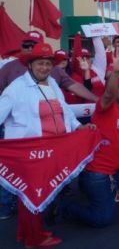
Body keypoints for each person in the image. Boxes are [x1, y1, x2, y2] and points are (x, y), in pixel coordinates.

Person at [0, 43, 88, 248]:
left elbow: (63, 110)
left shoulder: (53, 84)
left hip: (51, 149)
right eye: (40, 63)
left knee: (32, 194)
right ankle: (34, 238)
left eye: (48, 63)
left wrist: (77, 127)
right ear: (30, 65)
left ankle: (26, 232)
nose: (44, 68)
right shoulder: (16, 88)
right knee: (32, 193)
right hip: (28, 150)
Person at [60, 50, 119, 227]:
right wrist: (116, 72)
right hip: (98, 174)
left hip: (118, 167)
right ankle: (64, 207)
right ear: (115, 89)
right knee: (101, 219)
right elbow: (108, 95)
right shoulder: (106, 107)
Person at [0, 31, 98, 102]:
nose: (30, 48)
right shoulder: (8, 69)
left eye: (34, 45)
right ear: (21, 47)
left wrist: (97, 100)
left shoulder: (54, 70)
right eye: (26, 45)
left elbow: (74, 86)